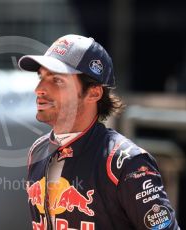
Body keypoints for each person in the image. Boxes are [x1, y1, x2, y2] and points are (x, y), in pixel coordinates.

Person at [18, 34, 180, 230]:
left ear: (94, 92)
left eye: (57, 80)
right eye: (41, 77)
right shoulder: (38, 151)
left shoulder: (128, 163)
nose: (40, 89)